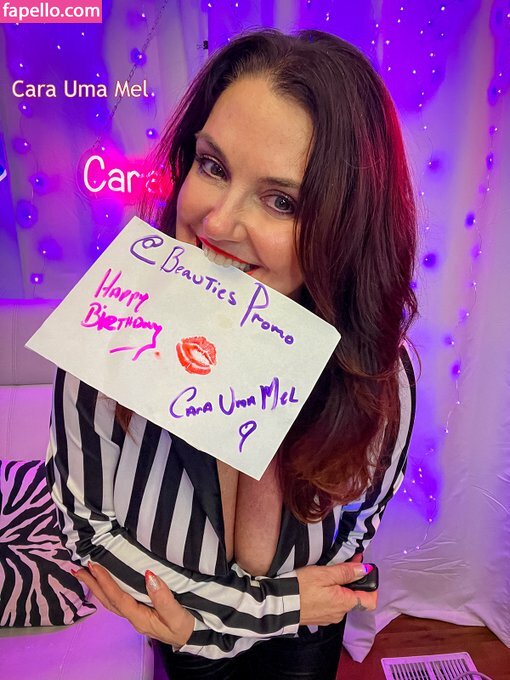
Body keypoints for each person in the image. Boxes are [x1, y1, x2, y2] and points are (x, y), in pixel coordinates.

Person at [47, 27, 419, 680]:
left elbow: (356, 534)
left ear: (346, 228)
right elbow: (86, 530)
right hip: (187, 643)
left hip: (302, 644)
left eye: (281, 200)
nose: (215, 223)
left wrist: (282, 612)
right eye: (213, 166)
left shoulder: (378, 372)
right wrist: (263, 610)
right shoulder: (108, 330)